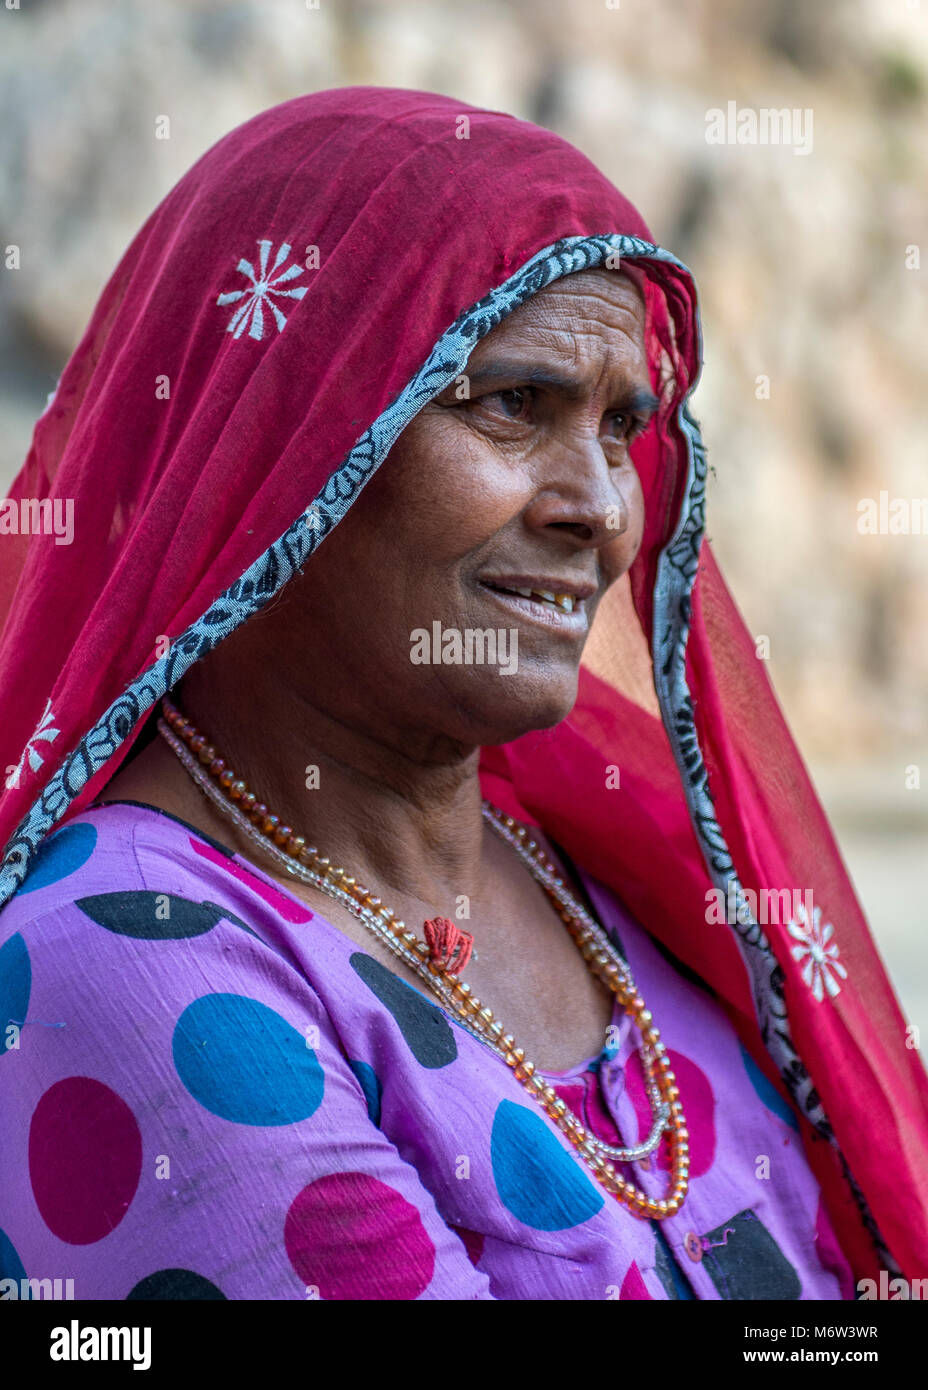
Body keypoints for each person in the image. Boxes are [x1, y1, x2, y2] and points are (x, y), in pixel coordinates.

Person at [0, 86, 924, 1301]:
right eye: (513, 404)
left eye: (621, 424)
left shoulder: (600, 883)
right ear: (287, 439)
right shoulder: (123, 958)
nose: (597, 506)